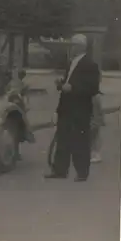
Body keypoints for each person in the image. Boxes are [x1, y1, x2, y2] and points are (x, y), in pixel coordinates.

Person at [46, 34, 100, 182]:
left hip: (80, 109)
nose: (71, 47)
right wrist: (62, 84)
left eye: (73, 45)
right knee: (63, 140)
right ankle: (60, 170)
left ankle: (82, 173)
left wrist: (72, 88)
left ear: (80, 46)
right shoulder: (72, 63)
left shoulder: (90, 64)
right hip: (66, 108)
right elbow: (68, 84)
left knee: (80, 140)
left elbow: (93, 88)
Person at [90, 80, 105, 163]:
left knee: (93, 137)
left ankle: (96, 154)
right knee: (94, 137)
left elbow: (97, 111)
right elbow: (100, 111)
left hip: (94, 121)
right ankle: (95, 153)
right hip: (95, 120)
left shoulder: (94, 97)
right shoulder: (96, 97)